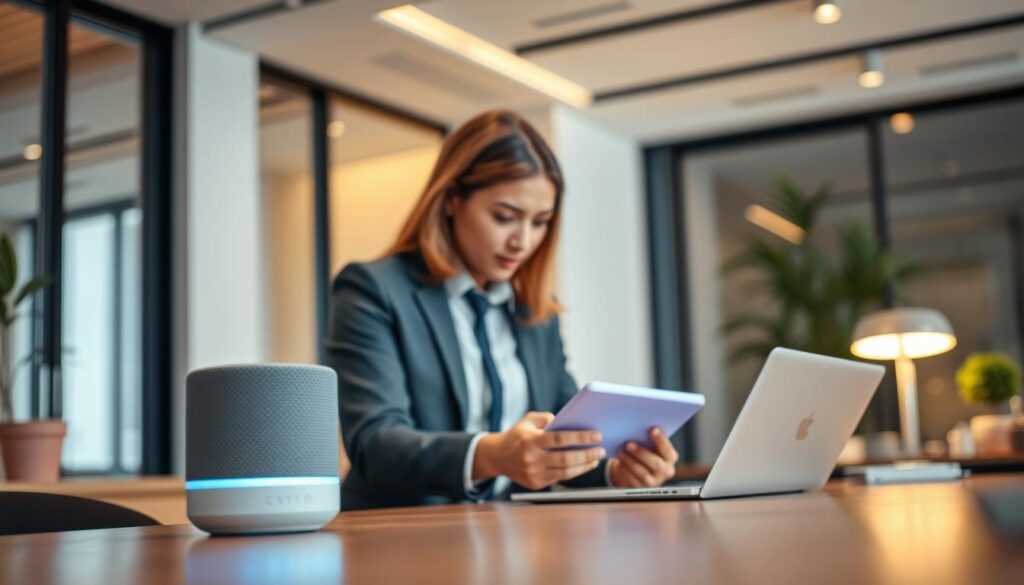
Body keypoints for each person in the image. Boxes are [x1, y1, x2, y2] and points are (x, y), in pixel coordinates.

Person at [327, 110, 678, 510]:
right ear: (452, 200)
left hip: (517, 537)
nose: (522, 242)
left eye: (540, 222)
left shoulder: (534, 313)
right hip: (400, 535)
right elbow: (375, 443)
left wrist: (619, 470)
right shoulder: (373, 289)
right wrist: (492, 454)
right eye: (504, 217)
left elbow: (563, 434)